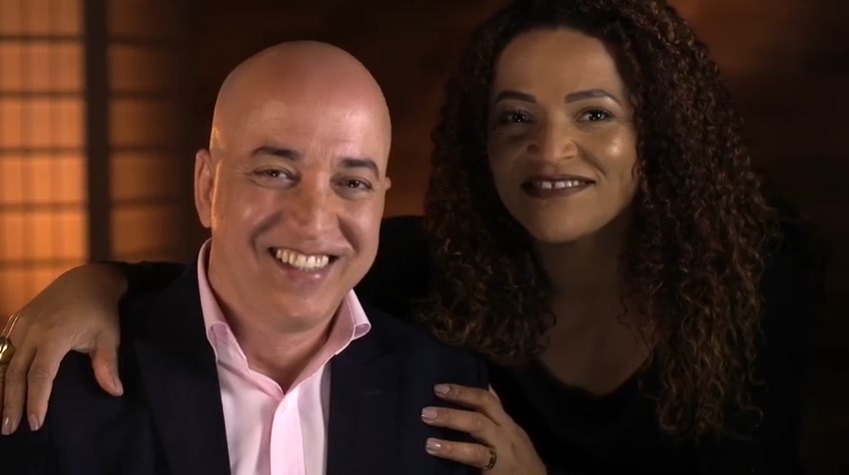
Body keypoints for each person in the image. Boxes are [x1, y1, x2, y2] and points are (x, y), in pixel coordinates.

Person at [0, 0, 825, 473]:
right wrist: (97, 280)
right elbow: (266, 269)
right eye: (515, 119)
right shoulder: (435, 273)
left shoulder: (758, 286)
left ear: (656, 133)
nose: (550, 150)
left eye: (594, 114)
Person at [0, 41, 491, 475]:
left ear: (381, 198)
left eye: (352, 182)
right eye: (275, 172)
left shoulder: (445, 393)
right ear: (207, 187)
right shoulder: (58, 387)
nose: (314, 220)